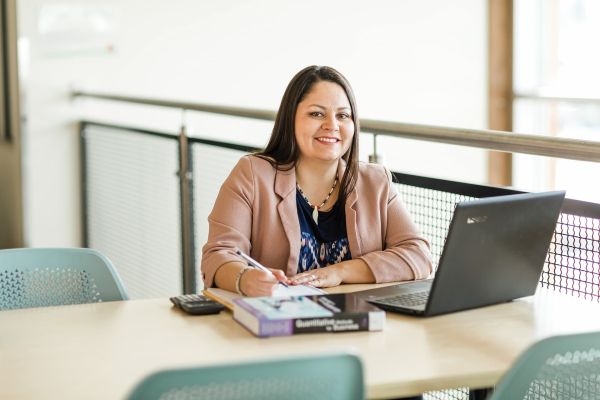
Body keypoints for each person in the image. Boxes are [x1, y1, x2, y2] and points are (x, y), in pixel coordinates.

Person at [201, 65, 432, 297]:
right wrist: (244, 279)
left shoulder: (376, 181)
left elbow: (418, 256)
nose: (332, 125)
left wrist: (340, 272)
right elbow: (218, 255)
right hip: (279, 324)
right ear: (290, 119)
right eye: (317, 114)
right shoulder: (252, 174)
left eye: (342, 115)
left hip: (354, 322)